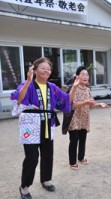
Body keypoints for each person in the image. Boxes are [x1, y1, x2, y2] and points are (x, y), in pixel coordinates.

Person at [10, 57, 79, 199]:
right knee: (32, 158)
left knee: (48, 155)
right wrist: (28, 81)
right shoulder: (27, 85)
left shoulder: (52, 88)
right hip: (30, 127)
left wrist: (75, 87)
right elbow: (19, 100)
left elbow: (66, 101)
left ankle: (46, 180)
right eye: (43, 68)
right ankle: (24, 186)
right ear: (34, 70)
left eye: (49, 68)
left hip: (47, 125)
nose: (47, 70)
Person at [68, 66, 109, 170]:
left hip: (84, 118)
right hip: (74, 118)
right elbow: (72, 105)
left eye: (87, 74)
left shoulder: (87, 89)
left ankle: (81, 157)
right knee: (74, 140)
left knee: (83, 139)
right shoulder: (73, 88)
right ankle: (72, 162)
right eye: (83, 74)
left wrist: (99, 104)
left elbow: (92, 103)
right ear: (77, 77)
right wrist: (85, 102)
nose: (85, 76)